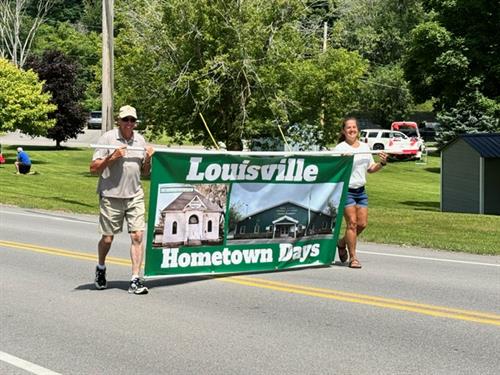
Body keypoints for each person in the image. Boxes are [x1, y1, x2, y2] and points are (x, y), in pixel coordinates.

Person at [90, 105, 154, 294]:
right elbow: (93, 168)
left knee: (137, 236)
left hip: (135, 196)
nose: (129, 123)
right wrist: (112, 157)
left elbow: (144, 172)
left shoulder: (140, 140)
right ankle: (100, 268)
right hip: (111, 196)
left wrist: (149, 160)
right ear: (119, 120)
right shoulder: (108, 138)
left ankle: (135, 278)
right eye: (125, 120)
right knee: (108, 239)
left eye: (132, 120)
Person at [333, 117, 387, 269]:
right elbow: (333, 170)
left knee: (362, 224)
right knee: (352, 223)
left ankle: (342, 243)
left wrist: (382, 163)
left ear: (358, 130)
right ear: (343, 131)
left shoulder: (365, 147)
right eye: (348, 128)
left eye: (354, 127)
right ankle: (353, 258)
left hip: (361, 191)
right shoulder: (340, 149)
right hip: (346, 190)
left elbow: (370, 168)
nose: (351, 130)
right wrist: (341, 162)